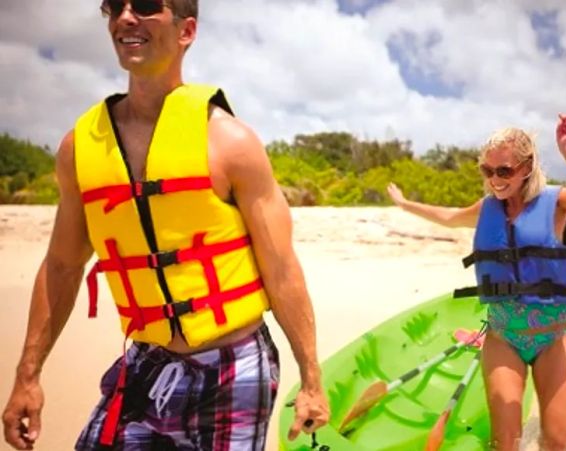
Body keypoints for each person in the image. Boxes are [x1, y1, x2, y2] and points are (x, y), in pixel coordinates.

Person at [2, 1, 329, 450]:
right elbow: (62, 264)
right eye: (114, 6)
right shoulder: (80, 148)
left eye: (148, 6)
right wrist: (28, 377)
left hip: (236, 367)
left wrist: (311, 378)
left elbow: (281, 267)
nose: (125, 17)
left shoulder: (230, 142)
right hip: (147, 361)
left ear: (186, 31)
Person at [387, 115, 566, 451]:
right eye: (487, 171)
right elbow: (448, 217)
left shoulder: (556, 202)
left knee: (556, 441)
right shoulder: (487, 209)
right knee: (504, 443)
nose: (495, 179)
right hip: (503, 336)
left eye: (504, 170)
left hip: (554, 336)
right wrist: (405, 204)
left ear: (527, 167)